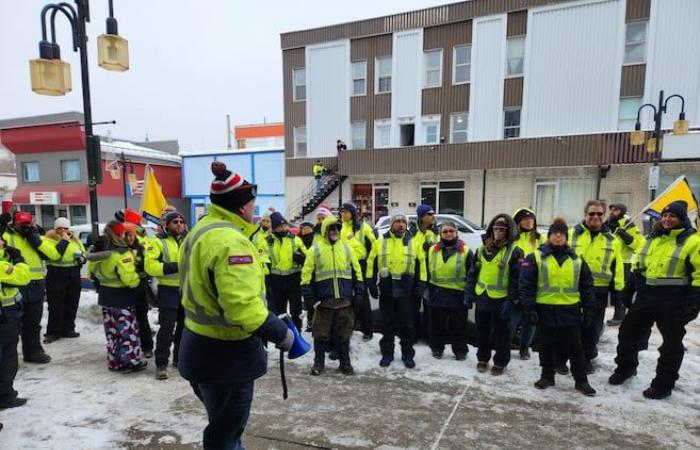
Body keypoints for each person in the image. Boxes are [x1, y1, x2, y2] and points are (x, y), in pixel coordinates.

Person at [178, 162, 293, 449]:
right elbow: (241, 308)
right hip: (226, 358)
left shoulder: (201, 229)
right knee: (225, 437)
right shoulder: (231, 242)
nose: (254, 209)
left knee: (222, 427)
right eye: (252, 203)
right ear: (241, 207)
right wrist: (281, 333)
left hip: (198, 348)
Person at [609, 201, 700, 399]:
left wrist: (694, 304)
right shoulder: (651, 238)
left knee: (671, 345)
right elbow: (638, 265)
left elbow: (698, 275)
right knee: (627, 334)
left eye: (673, 216)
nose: (667, 219)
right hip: (646, 297)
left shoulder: (693, 242)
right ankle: (625, 368)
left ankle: (663, 384)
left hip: (673, 301)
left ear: (682, 219)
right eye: (665, 216)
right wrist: (628, 289)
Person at [519, 217, 597, 396]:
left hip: (570, 311)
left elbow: (587, 285)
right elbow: (526, 285)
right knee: (546, 347)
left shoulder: (577, 260)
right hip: (545, 310)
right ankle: (547, 376)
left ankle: (581, 381)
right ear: (549, 236)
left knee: (576, 348)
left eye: (562, 234)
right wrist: (528, 308)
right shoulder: (536, 257)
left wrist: (589, 308)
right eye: (555, 233)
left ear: (566, 237)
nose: (558, 237)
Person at [566, 200, 624, 374]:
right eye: (592, 213)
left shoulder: (613, 240)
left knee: (593, 328)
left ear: (604, 216)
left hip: (599, 290)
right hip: (572, 289)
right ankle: (562, 357)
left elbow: (618, 268)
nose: (595, 217)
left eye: (599, 214)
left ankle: (587, 358)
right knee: (569, 325)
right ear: (585, 215)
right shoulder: (570, 235)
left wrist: (618, 295)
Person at [301, 217, 363, 375]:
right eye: (331, 228)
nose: (335, 231)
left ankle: (345, 364)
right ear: (325, 231)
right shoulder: (314, 250)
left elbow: (357, 272)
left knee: (344, 336)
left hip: (344, 302)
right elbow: (306, 275)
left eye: (337, 228)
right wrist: (309, 297)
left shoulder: (347, 249)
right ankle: (318, 364)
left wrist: (359, 292)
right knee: (320, 336)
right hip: (324, 303)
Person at [366, 213, 426, 368]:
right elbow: (371, 262)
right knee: (387, 325)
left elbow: (422, 266)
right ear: (392, 224)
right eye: (397, 222)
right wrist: (371, 282)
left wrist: (420, 286)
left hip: (407, 291)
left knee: (407, 325)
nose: (400, 224)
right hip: (387, 291)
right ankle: (387, 354)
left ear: (406, 225)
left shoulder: (415, 243)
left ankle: (407, 354)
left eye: (403, 222)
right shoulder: (380, 242)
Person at [3, 211, 62, 364]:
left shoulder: (35, 237)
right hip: (16, 284)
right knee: (13, 324)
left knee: (33, 322)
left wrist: (35, 239)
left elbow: (54, 255)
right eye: (22, 225)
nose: (25, 227)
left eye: (28, 224)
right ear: (13, 224)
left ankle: (33, 351)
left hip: (36, 284)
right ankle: (9, 357)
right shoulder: (7, 237)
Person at [88, 221, 147, 373]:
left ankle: (115, 362)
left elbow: (91, 273)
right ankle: (130, 362)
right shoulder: (121, 253)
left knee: (112, 333)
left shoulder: (98, 252)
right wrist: (139, 286)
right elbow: (128, 277)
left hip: (106, 298)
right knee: (127, 331)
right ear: (120, 234)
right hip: (122, 298)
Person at [467, 214, 522, 375]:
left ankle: (500, 361)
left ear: (509, 232)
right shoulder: (481, 250)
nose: (498, 232)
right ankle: (482, 359)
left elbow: (516, 279)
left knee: (502, 335)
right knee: (482, 332)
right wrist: (469, 293)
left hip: (501, 300)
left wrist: (511, 300)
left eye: (502, 229)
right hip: (482, 297)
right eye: (495, 229)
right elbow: (472, 274)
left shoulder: (514, 252)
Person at [146, 211, 187, 380]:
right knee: (167, 330)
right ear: (167, 225)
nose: (179, 224)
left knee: (185, 329)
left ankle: (179, 359)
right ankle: (161, 364)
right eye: (175, 221)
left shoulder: (189, 241)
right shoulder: (157, 241)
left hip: (187, 291)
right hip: (168, 291)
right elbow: (150, 266)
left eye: (181, 221)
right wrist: (175, 266)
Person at [427, 221, 473, 360]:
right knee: (437, 325)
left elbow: (472, 275)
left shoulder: (465, 251)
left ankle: (460, 351)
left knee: (458, 326)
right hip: (437, 293)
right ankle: (437, 348)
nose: (448, 234)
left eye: (451, 231)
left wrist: (469, 295)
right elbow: (427, 271)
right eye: (445, 232)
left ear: (456, 233)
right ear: (440, 234)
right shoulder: (432, 250)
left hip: (457, 294)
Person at [116, 208, 154, 358]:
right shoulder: (117, 240)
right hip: (123, 286)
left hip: (139, 284)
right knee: (126, 319)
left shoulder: (142, 241)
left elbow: (148, 262)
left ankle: (146, 347)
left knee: (141, 317)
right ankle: (130, 347)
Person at [510, 208, 546, 360]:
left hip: (534, 285)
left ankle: (525, 347)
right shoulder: (512, 239)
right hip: (515, 284)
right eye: (525, 219)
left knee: (530, 321)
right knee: (511, 320)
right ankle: (505, 346)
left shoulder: (540, 239)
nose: (529, 221)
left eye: (531, 218)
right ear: (517, 222)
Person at [260, 212, 306, 331]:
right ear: (275, 228)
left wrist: (302, 258)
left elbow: (307, 257)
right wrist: (267, 278)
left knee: (296, 310)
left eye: (285, 225)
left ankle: (297, 333)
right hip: (276, 281)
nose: (284, 228)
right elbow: (263, 261)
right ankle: (283, 335)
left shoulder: (295, 240)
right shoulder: (267, 242)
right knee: (280, 311)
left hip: (294, 279)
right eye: (280, 227)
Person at [44, 218, 86, 343]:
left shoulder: (75, 240)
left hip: (73, 273)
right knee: (55, 305)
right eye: (60, 228)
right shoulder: (49, 240)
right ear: (55, 229)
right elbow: (52, 254)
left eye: (65, 228)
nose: (63, 231)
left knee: (72, 303)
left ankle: (68, 329)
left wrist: (82, 259)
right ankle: (53, 332)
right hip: (56, 273)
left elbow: (83, 253)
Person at [0, 238, 31, 409]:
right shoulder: (2, 265)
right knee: (7, 356)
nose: (3, 243)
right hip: (5, 315)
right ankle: (5, 395)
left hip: (6, 314)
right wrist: (19, 260)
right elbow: (23, 276)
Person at [340, 202, 377, 340]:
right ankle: (351, 326)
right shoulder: (341, 228)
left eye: (346, 212)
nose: (343, 215)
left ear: (353, 213)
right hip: (346, 266)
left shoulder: (363, 227)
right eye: (342, 212)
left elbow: (374, 247)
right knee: (347, 298)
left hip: (361, 265)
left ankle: (368, 330)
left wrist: (370, 268)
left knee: (362, 298)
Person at [605, 203, 645, 326]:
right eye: (611, 209)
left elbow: (639, 244)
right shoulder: (607, 224)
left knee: (620, 291)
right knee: (610, 289)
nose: (611, 211)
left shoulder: (629, 224)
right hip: (608, 262)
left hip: (623, 262)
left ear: (622, 212)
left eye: (615, 209)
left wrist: (624, 235)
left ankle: (620, 315)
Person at [409, 204, 438, 342]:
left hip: (431, 276)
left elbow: (441, 250)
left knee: (430, 309)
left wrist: (432, 248)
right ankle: (413, 336)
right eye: (429, 214)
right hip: (416, 275)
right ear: (421, 217)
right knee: (413, 308)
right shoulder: (413, 233)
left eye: (433, 214)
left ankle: (428, 337)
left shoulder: (435, 233)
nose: (433, 217)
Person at [298, 221, 316, 331]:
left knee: (316, 300)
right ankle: (310, 322)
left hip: (316, 274)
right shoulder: (298, 241)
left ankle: (316, 322)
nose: (306, 231)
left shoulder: (316, 239)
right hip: (304, 275)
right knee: (308, 301)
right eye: (303, 229)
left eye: (308, 228)